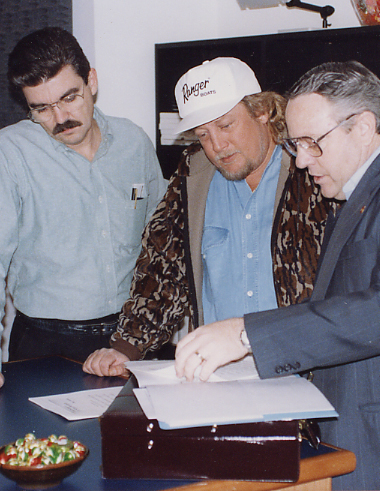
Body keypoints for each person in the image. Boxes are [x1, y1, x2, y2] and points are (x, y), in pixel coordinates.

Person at [174, 61, 380, 490]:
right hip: (364, 440)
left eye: (312, 143)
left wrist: (246, 334)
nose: (302, 161)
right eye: (296, 146)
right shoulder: (358, 194)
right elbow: (335, 307)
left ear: (362, 127)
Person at [0, 27, 166, 402]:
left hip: (131, 338)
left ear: (91, 81)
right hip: (47, 344)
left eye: (69, 98)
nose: (60, 117)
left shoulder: (133, 142)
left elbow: (161, 241)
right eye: (41, 108)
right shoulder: (9, 152)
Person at [83, 57, 330, 377]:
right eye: (203, 134)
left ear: (262, 111)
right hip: (217, 376)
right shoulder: (193, 176)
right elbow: (164, 268)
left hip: (302, 372)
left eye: (226, 125)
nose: (217, 146)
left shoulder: (312, 172)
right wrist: (126, 347)